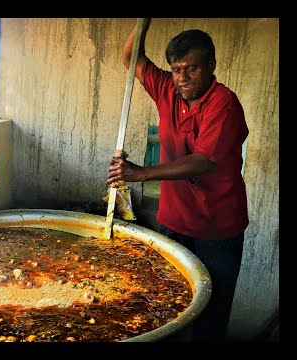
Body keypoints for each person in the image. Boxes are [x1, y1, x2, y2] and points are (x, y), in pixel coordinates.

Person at [107, 19, 249, 343]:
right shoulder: (167, 89)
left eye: (192, 69)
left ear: (211, 66)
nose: (182, 78)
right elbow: (131, 58)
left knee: (211, 316)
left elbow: (202, 160)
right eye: (176, 69)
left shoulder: (223, 103)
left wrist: (139, 172)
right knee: (167, 305)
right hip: (174, 221)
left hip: (218, 228)